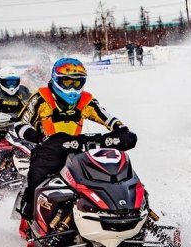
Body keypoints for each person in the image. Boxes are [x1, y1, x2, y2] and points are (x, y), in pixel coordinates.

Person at [12, 57, 136, 234]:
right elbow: (19, 124)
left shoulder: (86, 101)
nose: (72, 88)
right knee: (36, 180)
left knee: (107, 173)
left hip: (76, 149)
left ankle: (120, 209)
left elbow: (107, 117)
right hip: (48, 150)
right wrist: (38, 137)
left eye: (77, 83)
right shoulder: (41, 99)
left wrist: (122, 130)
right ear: (56, 80)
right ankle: (29, 217)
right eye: (67, 82)